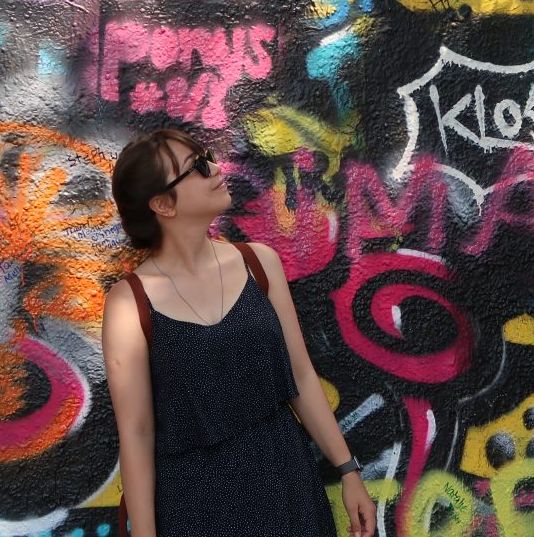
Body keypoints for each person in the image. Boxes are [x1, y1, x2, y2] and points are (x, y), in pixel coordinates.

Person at [102, 127, 376, 537]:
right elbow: (137, 434)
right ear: (162, 204)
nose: (215, 169)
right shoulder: (129, 304)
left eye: (208, 157)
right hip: (194, 508)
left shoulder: (259, 264)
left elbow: (300, 376)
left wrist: (348, 470)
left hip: (287, 487)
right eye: (197, 167)